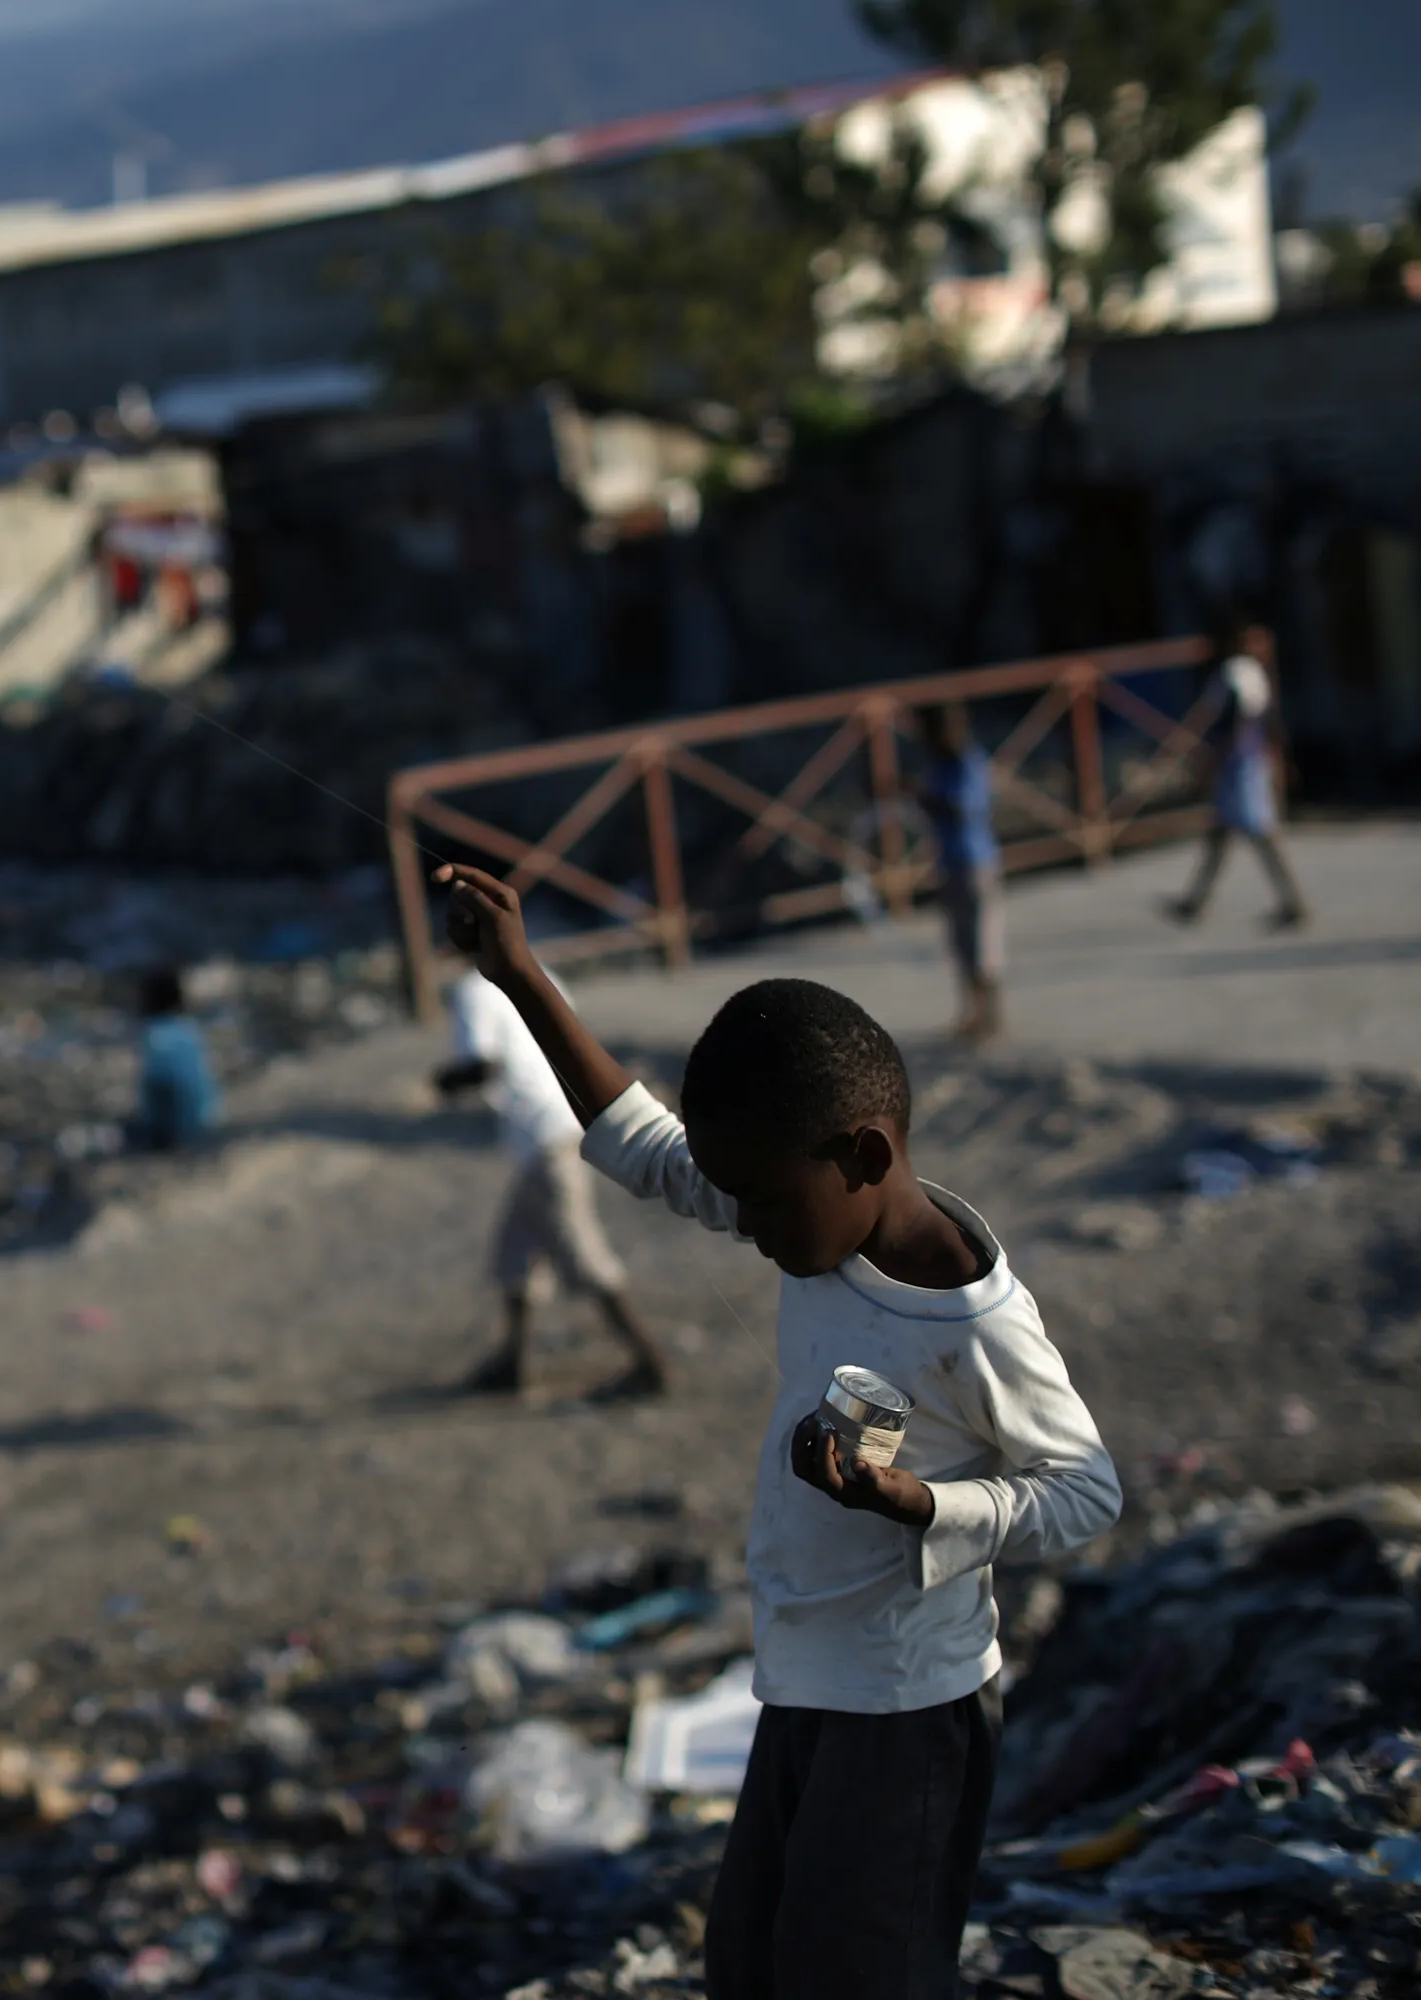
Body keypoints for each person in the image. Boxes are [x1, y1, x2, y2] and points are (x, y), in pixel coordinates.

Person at [433, 861, 1120, 2000]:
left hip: (908, 1705)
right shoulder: (822, 1225)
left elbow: (1087, 1488)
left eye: (762, 1202)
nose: (746, 1227)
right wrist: (520, 977)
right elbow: (647, 1146)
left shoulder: (975, 1323)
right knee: (749, 1964)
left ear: (864, 1156)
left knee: (860, 1976)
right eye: (737, 1198)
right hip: (804, 1677)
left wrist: (924, 1504)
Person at [438, 965, 671, 1401]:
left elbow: (482, 1065)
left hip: (543, 1138)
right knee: (515, 1251)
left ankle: (650, 1364)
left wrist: (446, 1081)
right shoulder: (536, 971)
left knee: (583, 1254)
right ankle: (512, 1361)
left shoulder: (474, 989)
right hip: (561, 1124)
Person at [1170, 622, 1308, 930]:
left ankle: (1293, 902)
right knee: (1224, 830)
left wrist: (1217, 755)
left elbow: (1241, 716)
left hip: (1241, 761)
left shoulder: (1238, 671)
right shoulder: (1244, 671)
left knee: (1258, 829)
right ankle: (1195, 900)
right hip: (1242, 759)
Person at [916, 702, 1004, 1042]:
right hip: (949, 863)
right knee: (961, 943)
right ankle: (972, 1013)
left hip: (975, 862)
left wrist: (923, 797)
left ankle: (991, 1015)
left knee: (983, 942)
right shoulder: (939, 765)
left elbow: (964, 807)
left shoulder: (968, 762)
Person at [127, 966, 220, 1151]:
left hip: (179, 1130)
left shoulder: (156, 1035)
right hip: (207, 1119)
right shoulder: (189, 1028)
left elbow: (163, 1086)